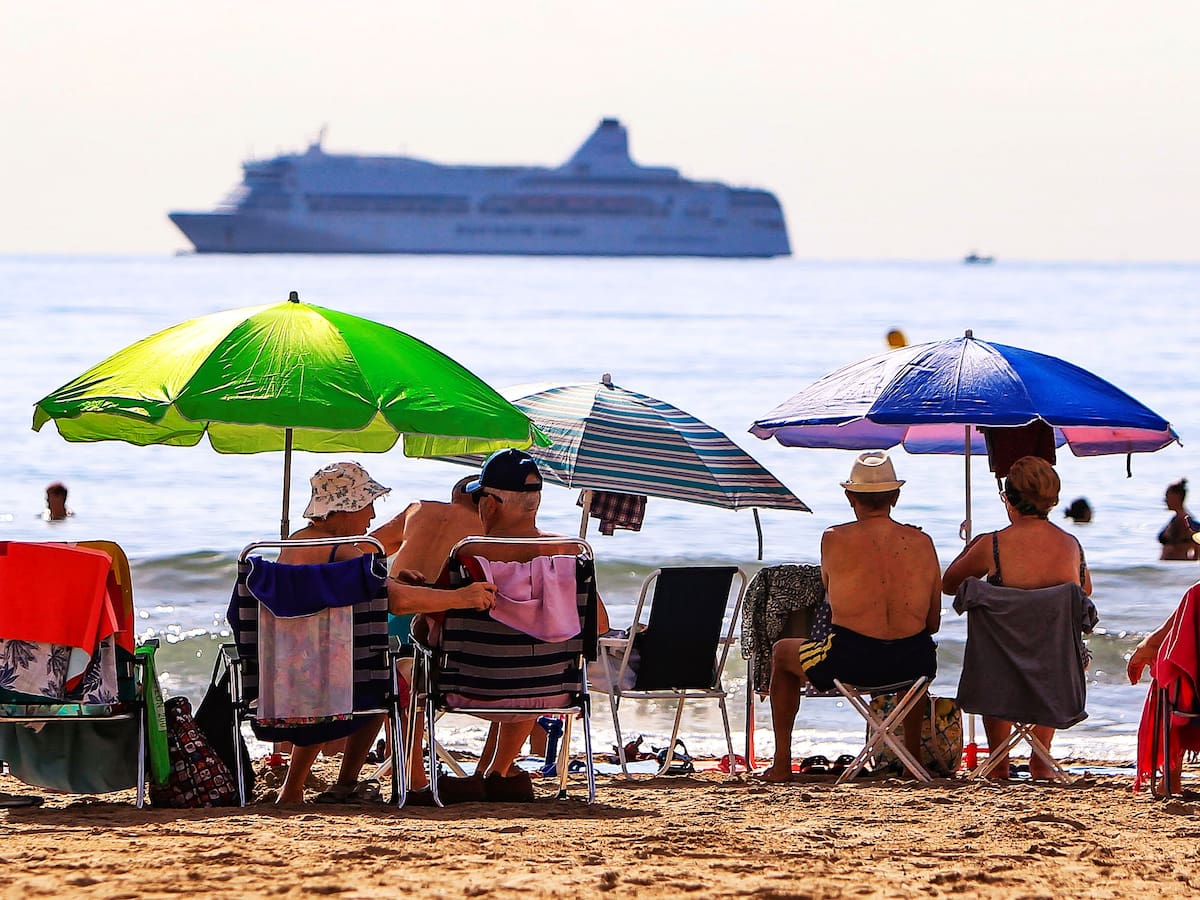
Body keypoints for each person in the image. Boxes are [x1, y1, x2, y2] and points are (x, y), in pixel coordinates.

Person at [273, 462, 495, 804]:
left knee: (378, 671)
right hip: (335, 675)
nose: (373, 515)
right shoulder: (342, 550)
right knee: (391, 679)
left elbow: (378, 585)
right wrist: (460, 597)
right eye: (367, 504)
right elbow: (398, 602)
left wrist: (389, 582)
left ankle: (304, 787)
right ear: (345, 509)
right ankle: (414, 783)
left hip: (295, 667)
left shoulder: (295, 544)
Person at [426, 448, 609, 803]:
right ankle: (497, 770)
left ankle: (418, 780)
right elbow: (598, 624)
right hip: (551, 692)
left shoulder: (468, 555)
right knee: (531, 650)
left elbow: (429, 625)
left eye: (479, 497)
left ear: (491, 504)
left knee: (413, 661)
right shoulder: (570, 553)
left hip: (471, 690)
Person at [761, 451, 941, 783]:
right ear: (896, 496)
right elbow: (933, 623)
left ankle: (782, 764)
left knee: (782, 652)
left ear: (849, 496)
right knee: (916, 646)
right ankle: (912, 761)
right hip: (914, 666)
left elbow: (832, 599)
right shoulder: (923, 541)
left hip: (851, 663)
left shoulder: (833, 538)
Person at [942, 455, 1092, 780]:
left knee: (995, 654)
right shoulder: (1071, 545)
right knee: (1056, 651)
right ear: (1052, 501)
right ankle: (1041, 758)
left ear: (1008, 498)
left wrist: (970, 547)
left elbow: (949, 584)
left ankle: (998, 760)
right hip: (1055, 672)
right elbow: (1084, 592)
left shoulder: (991, 544)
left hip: (1000, 673)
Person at [1158, 480, 1198, 561]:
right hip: (1172, 569)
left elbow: (1197, 547)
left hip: (1175, 567)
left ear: (1176, 496)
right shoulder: (1177, 519)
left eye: (1167, 496)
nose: (1165, 500)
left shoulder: (1186, 521)